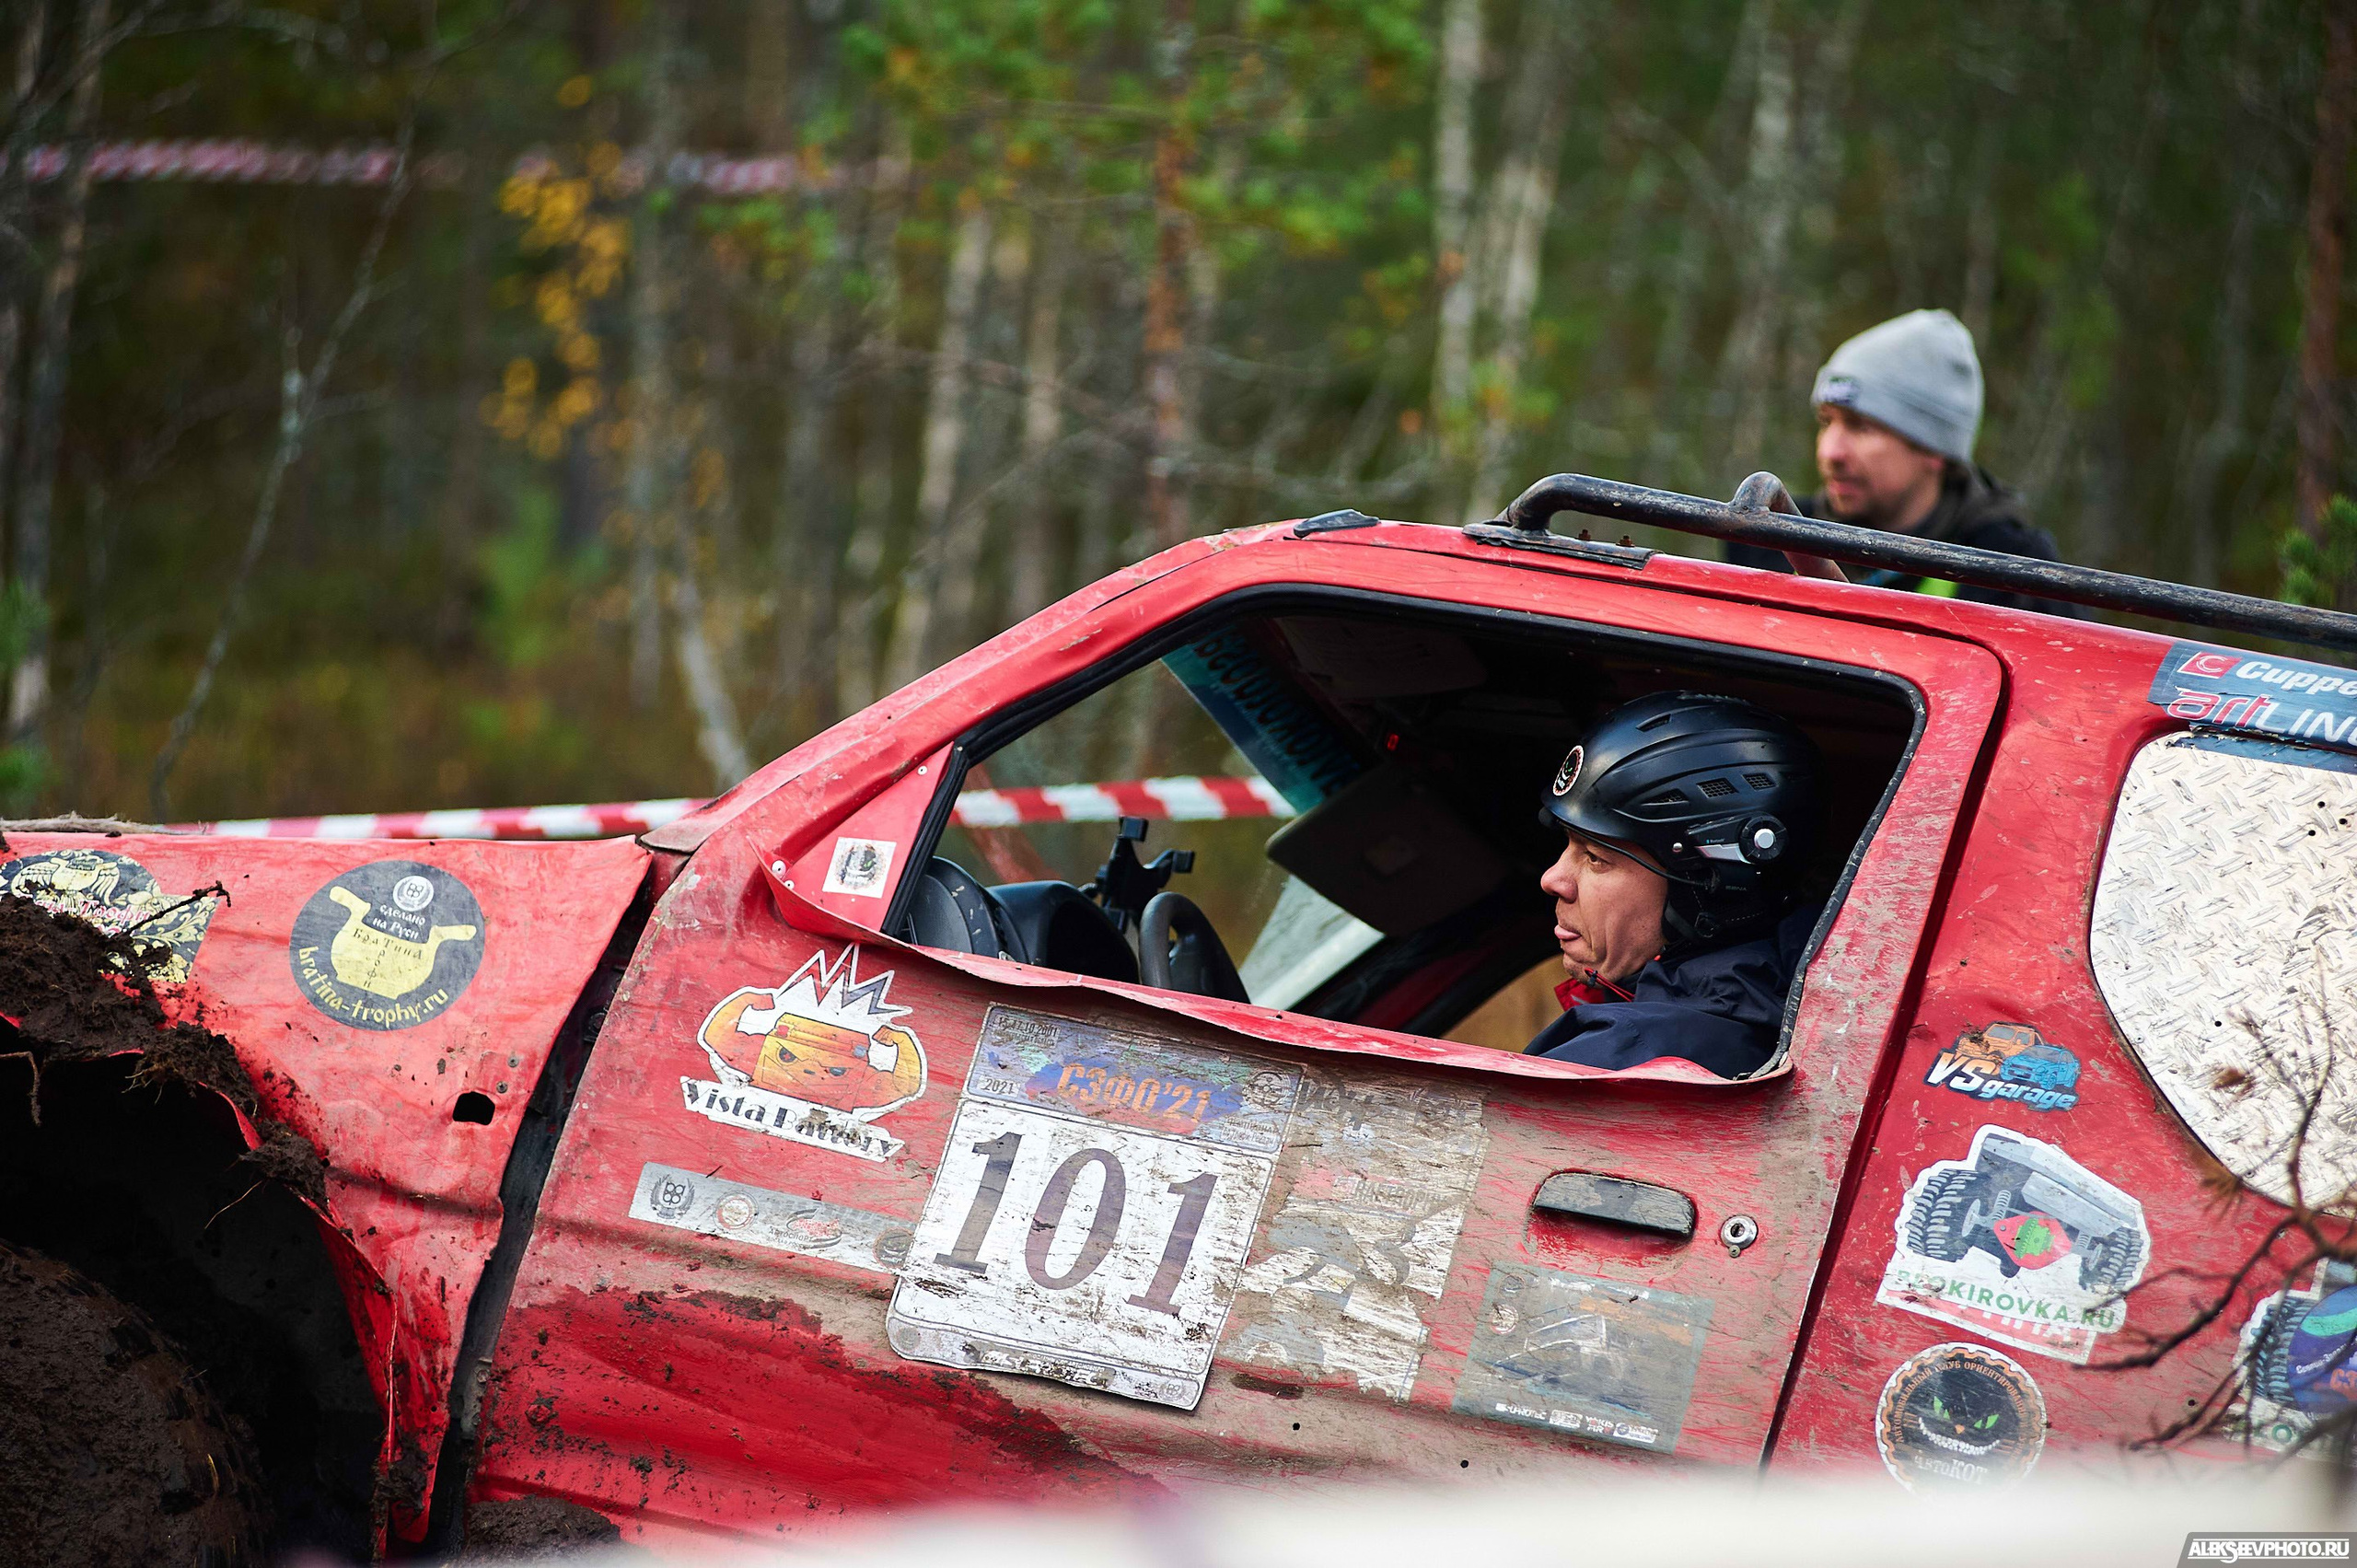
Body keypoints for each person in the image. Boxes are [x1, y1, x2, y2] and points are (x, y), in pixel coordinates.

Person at [1524, 691, 1825, 1077]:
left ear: (1707, 886)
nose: (1552, 880)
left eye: (1596, 858)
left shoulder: (1622, 1064)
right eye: (1569, 844)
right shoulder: (1787, 1011)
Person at [1726, 308, 2083, 618]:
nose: (1830, 452)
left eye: (1861, 427)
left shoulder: (2016, 579)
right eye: (1826, 421)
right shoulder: (1771, 541)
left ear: (1933, 449)